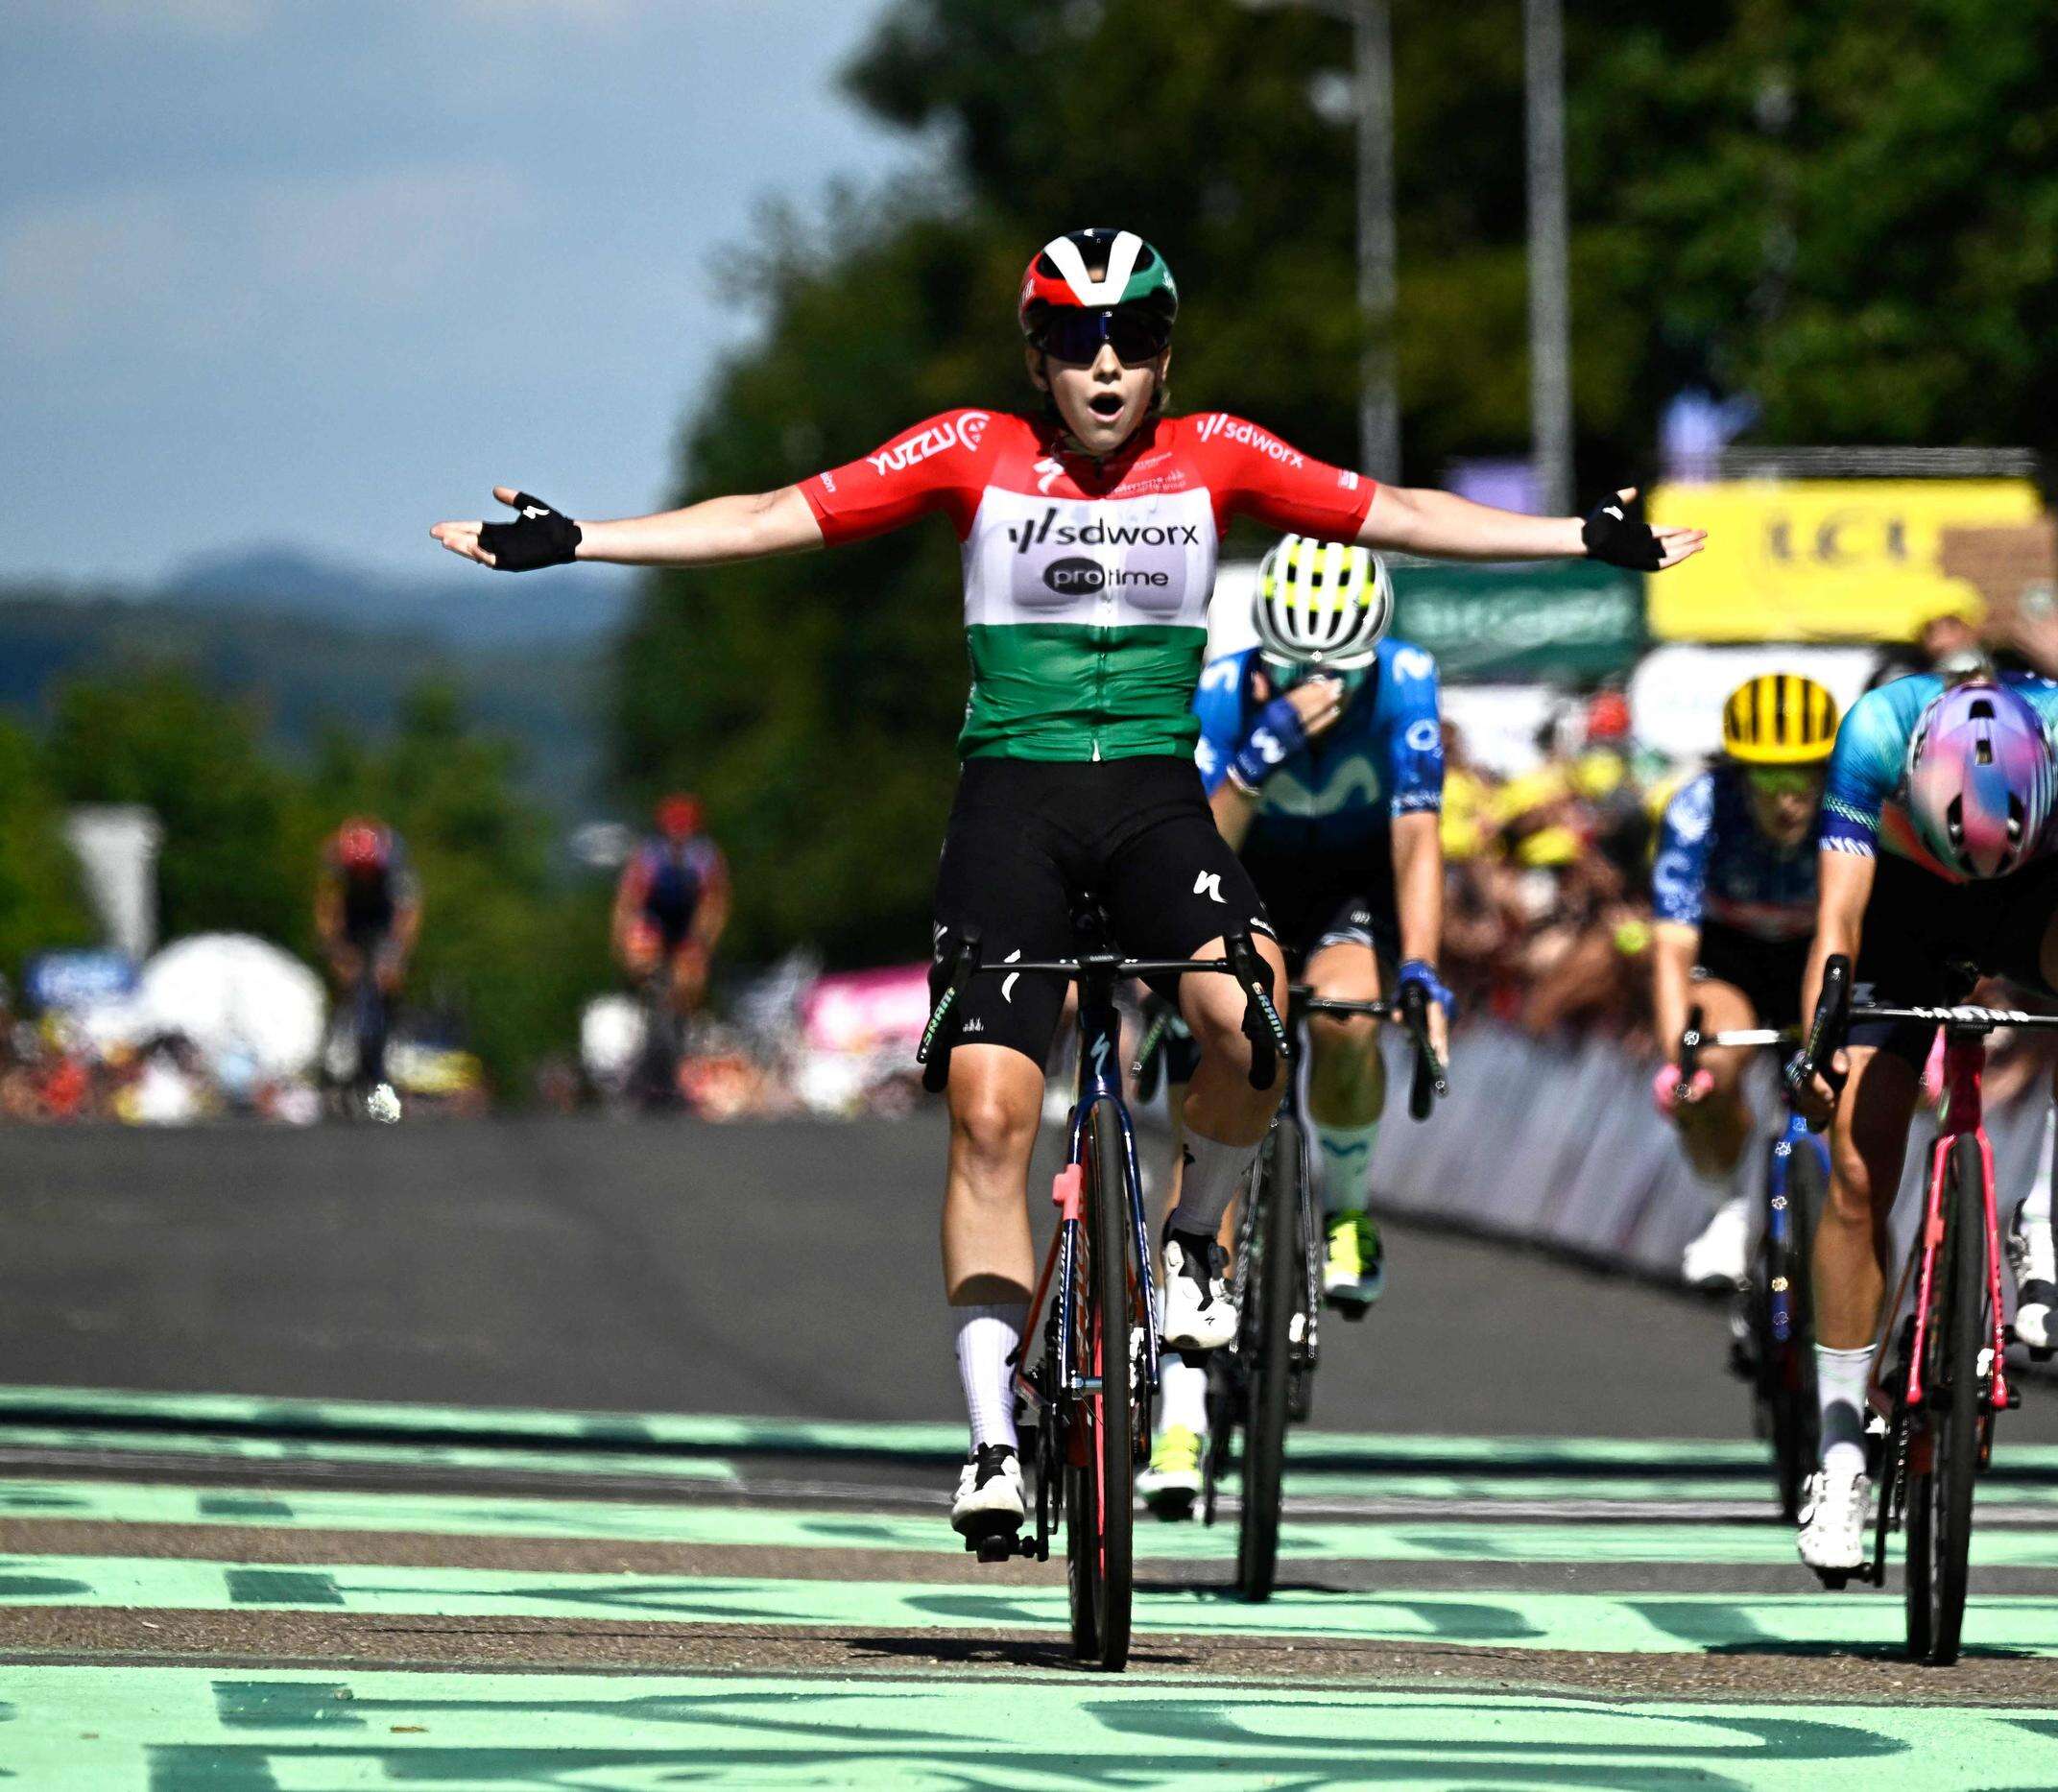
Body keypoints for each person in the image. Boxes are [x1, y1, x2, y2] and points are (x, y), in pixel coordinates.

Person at [430, 226, 1704, 1546]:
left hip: (1153, 804)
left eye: (1135, 339)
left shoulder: (1218, 456)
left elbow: (1403, 512)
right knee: (991, 1114)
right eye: (1077, 340)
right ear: (1035, 354)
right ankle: (990, 1436)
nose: (1106, 365)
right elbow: (769, 514)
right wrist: (580, 540)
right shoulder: (969, 450)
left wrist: (1583, 536)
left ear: (1167, 354)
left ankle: (1194, 1241)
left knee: (1253, 1024)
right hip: (1013, 809)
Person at [1789, 669, 2058, 1575]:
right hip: (1904, 906)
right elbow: (1837, 920)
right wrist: (1816, 1052)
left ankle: (2046, 1224)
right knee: (1859, 1169)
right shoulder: (1875, 729)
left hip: (2033, 903)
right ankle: (1838, 1447)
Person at [1130, 537, 1452, 1516]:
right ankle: (1178, 1408)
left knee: (1352, 1017)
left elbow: (1416, 837)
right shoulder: (1224, 693)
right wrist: (1259, 755)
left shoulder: (1405, 684)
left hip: (1345, 888)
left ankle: (1347, 1204)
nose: (1314, 686)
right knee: (1224, 1087)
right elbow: (1199, 840)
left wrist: (1423, 967)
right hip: (1242, 883)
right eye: (1292, 663)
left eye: (1335, 673)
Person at [1647, 672, 1840, 1292]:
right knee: (1707, 1064)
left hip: (1823, 950)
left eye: (1805, 776)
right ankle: (1726, 1208)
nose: (1789, 799)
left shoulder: (1855, 805)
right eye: (1768, 778)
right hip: (1732, 959)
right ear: (1736, 771)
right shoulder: (1700, 807)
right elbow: (1672, 946)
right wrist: (1679, 1053)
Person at [612, 794, 730, 1105]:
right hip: (653, 920)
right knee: (642, 957)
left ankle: (682, 1020)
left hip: (686, 924)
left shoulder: (705, 856)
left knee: (690, 979)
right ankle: (645, 996)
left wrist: (702, 942)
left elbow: (714, 903)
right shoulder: (648, 854)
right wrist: (625, 941)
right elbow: (629, 901)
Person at [315, 817, 421, 1101]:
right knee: (342, 980)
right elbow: (328, 910)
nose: (363, 877)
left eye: (368, 872)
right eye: (357, 872)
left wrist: (395, 955)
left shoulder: (396, 872)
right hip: (352, 921)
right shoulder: (337, 869)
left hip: (383, 921)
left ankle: (389, 1037)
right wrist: (335, 949)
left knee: (388, 981)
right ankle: (335, 1045)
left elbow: (407, 915)